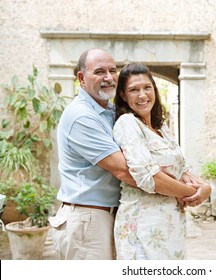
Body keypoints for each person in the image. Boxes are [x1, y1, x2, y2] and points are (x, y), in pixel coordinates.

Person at [113, 62, 211, 260]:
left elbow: (180, 168)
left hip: (171, 224)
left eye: (147, 87)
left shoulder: (161, 127)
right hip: (142, 225)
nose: (142, 95)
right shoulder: (127, 123)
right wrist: (192, 193)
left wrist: (205, 188)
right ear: (123, 95)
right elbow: (149, 177)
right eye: (134, 90)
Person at [49, 48, 137, 260]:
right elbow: (124, 170)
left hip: (104, 217)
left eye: (112, 70)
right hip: (87, 220)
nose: (108, 77)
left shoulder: (110, 112)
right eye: (99, 72)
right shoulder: (81, 116)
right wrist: (180, 190)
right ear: (81, 78)